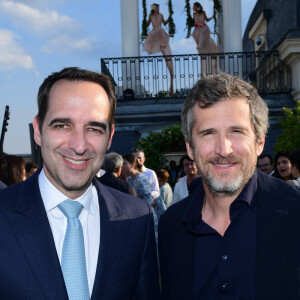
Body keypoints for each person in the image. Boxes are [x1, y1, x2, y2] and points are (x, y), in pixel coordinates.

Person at [0, 67, 161, 299]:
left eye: (94, 128)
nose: (79, 145)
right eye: (62, 125)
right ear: (38, 130)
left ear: (110, 136)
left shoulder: (136, 218)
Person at [158, 73, 300, 299]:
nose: (223, 150)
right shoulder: (171, 226)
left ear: (259, 142)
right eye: (208, 133)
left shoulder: (294, 210)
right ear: (190, 148)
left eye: (236, 131)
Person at [143, 3, 174, 95]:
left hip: (160, 31)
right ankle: (158, 48)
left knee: (163, 45)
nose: (158, 8)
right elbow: (147, 25)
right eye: (157, 7)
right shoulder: (151, 15)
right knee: (156, 40)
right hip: (154, 32)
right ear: (154, 8)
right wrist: (145, 18)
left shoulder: (160, 15)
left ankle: (164, 50)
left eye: (158, 7)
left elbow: (164, 22)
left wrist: (170, 17)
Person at [191, 2, 218, 74]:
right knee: (196, 35)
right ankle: (200, 45)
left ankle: (201, 45)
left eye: (194, 6)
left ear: (197, 7)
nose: (192, 8)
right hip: (197, 29)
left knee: (204, 33)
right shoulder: (194, 14)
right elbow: (193, 22)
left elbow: (207, 20)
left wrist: (213, 16)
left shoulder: (203, 13)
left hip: (204, 28)